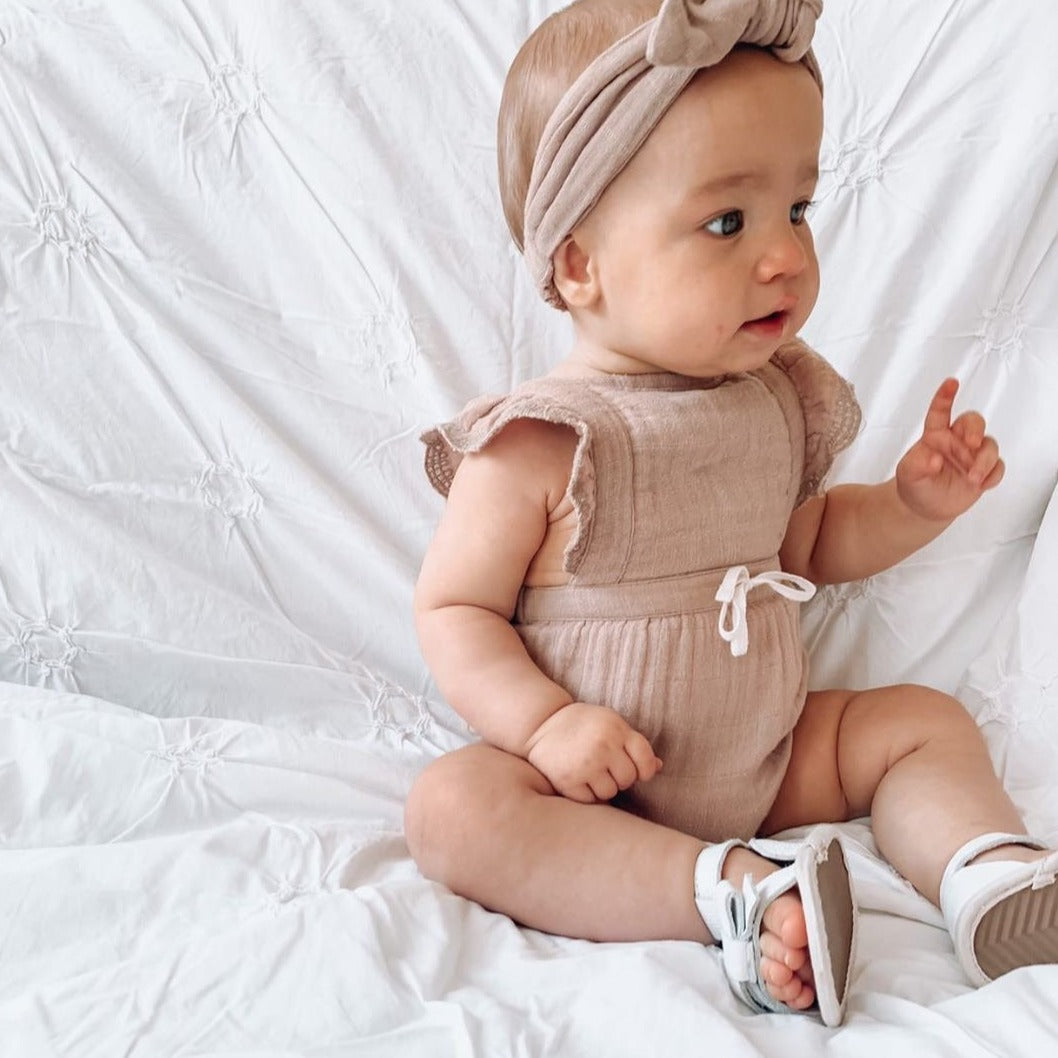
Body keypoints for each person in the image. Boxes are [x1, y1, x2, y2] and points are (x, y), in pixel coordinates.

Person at [404, 0, 1058, 1026]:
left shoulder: (772, 399)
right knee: (449, 808)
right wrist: (546, 724)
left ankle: (985, 874)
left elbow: (804, 544)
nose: (783, 258)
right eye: (726, 222)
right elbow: (453, 610)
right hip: (591, 788)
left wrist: (908, 501)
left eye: (795, 209)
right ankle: (728, 890)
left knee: (916, 722)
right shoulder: (541, 439)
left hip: (764, 751)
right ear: (579, 264)